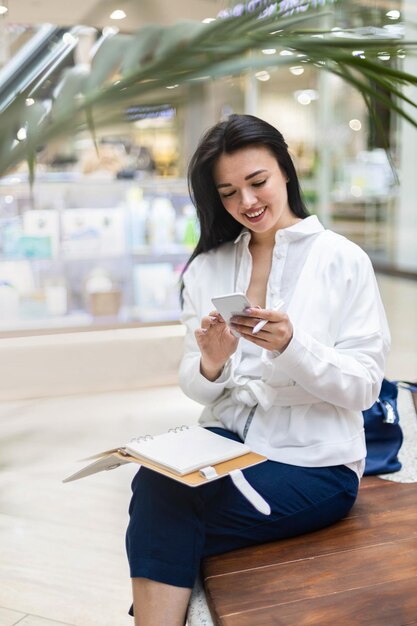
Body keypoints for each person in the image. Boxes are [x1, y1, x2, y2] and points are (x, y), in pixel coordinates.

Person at [126, 114, 390, 625]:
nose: (245, 203)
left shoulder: (343, 260)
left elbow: (364, 387)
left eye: (257, 182)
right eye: (227, 192)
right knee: (156, 483)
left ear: (285, 171)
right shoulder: (208, 267)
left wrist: (292, 346)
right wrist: (212, 361)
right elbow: (194, 383)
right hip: (227, 446)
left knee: (161, 513)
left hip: (317, 466)